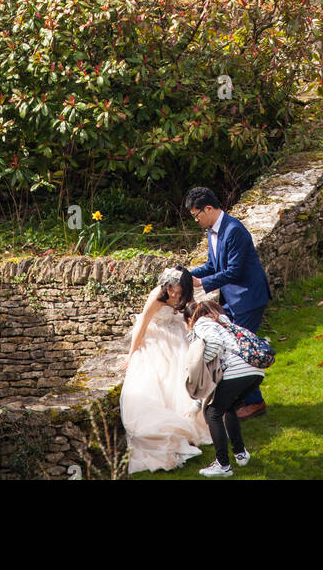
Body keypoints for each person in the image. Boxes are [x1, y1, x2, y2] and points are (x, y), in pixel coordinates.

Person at [185, 185, 271, 419]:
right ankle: (242, 398)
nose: (196, 220)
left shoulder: (234, 230)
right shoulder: (212, 230)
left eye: (196, 215)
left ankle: (254, 403)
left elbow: (233, 271)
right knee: (230, 347)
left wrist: (201, 284)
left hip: (248, 298)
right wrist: (187, 274)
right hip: (233, 298)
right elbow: (213, 266)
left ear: (209, 208)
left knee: (240, 350)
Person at [119, 265, 212, 474]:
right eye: (172, 290)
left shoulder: (186, 295)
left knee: (185, 370)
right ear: (165, 285)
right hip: (155, 335)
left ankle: (192, 424)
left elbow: (190, 316)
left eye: (179, 292)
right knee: (162, 375)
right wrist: (131, 353)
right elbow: (143, 322)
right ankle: (172, 432)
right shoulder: (157, 295)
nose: (174, 294)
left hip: (175, 332)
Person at [186, 299, 263, 477]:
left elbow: (213, 343)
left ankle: (223, 465)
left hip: (236, 372)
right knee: (228, 407)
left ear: (192, 318)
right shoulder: (224, 322)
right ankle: (240, 454)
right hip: (255, 371)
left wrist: (199, 362)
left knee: (212, 413)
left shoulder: (203, 323)